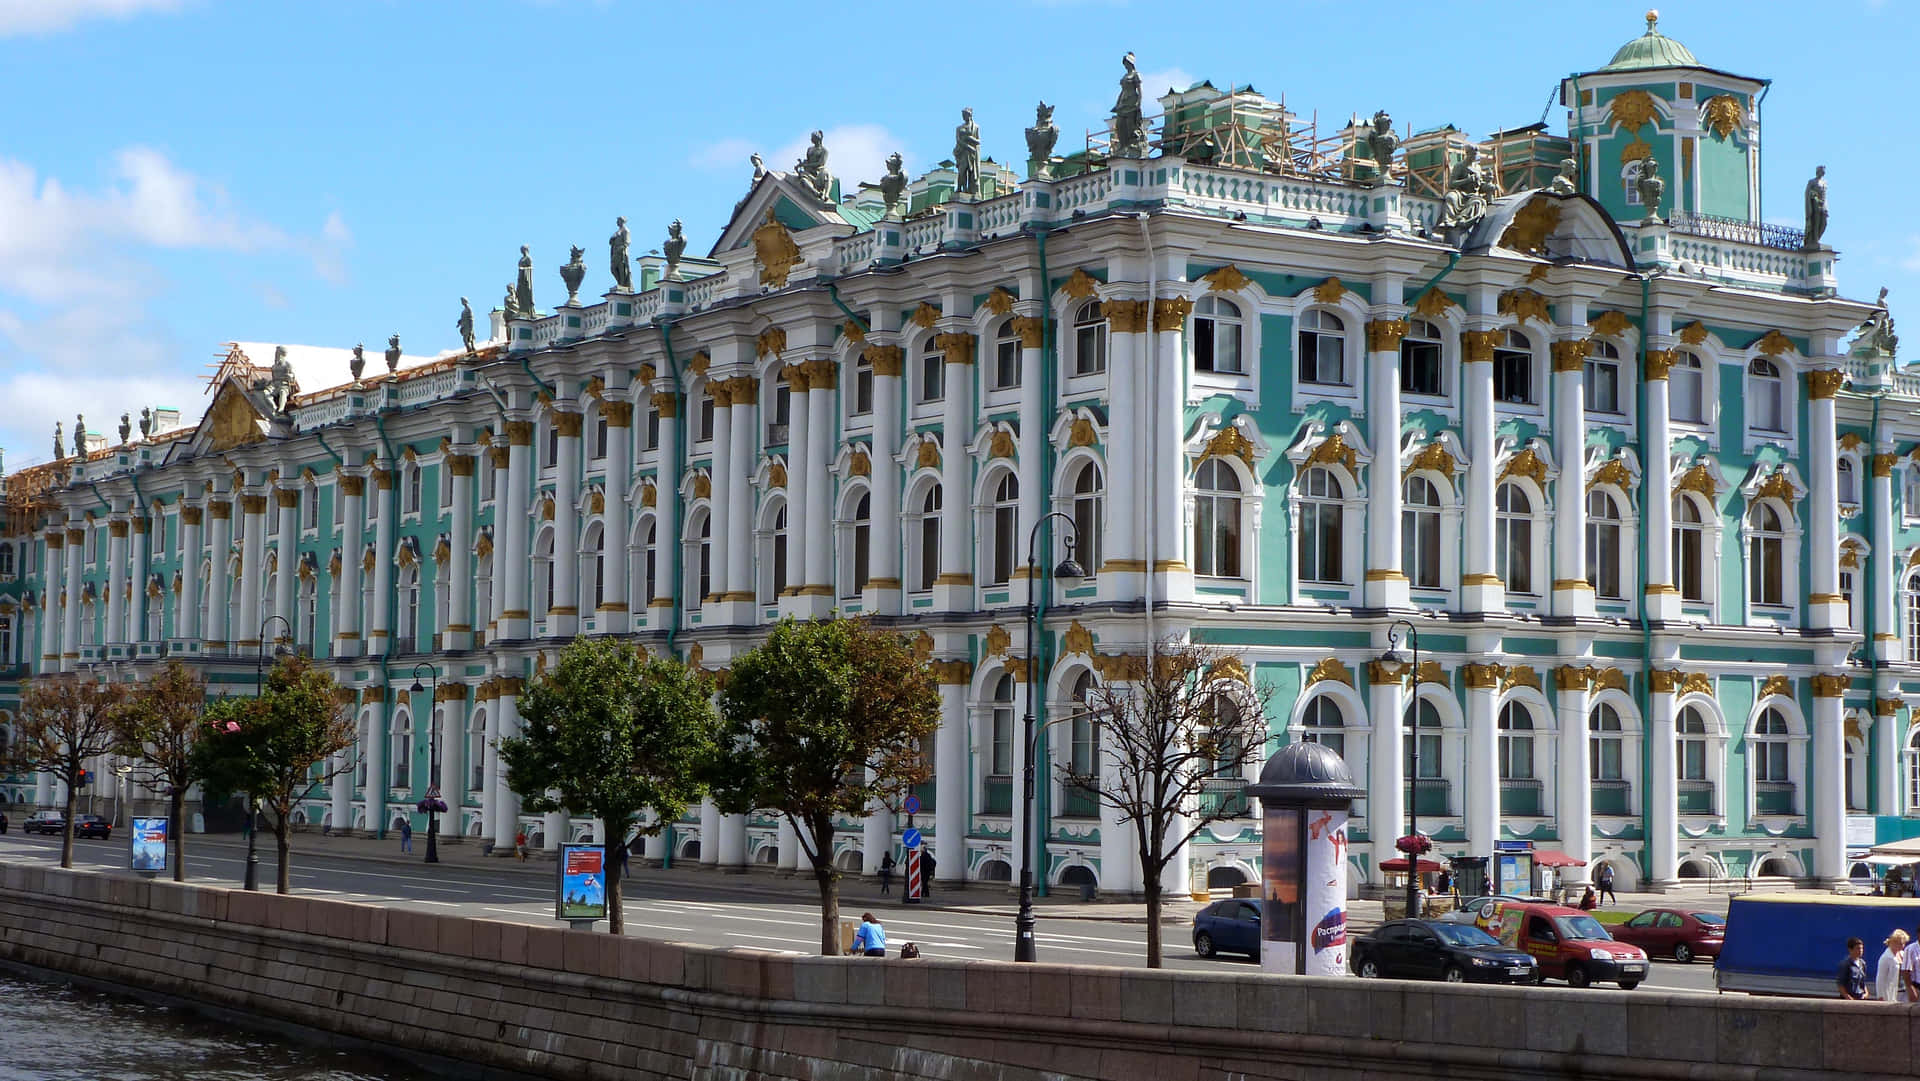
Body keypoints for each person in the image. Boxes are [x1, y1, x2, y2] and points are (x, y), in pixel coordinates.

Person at [1877, 930, 1910, 1002]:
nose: (1903, 946)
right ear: (1893, 942)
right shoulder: (1886, 957)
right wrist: (1881, 996)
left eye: (1904, 943)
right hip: (1891, 992)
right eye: (1900, 943)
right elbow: (1880, 978)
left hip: (1904, 991)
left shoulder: (1902, 954)